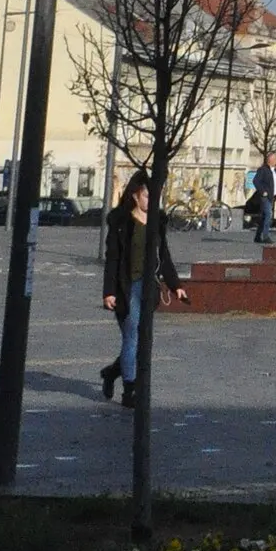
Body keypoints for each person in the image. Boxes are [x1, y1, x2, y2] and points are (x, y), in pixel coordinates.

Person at [100, 171, 186, 406]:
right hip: (126, 287)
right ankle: (130, 391)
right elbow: (113, 259)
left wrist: (175, 285)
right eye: (147, 196)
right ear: (136, 196)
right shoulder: (122, 223)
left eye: (154, 196)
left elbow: (164, 256)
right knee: (132, 335)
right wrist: (109, 291)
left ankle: (111, 373)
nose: (151, 201)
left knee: (138, 338)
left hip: (149, 287)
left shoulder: (157, 223)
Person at [247, 152, 276, 243]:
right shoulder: (263, 169)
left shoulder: (275, 170)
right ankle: (266, 236)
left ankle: (258, 236)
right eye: (275, 159)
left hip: (272, 197)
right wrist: (263, 191)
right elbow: (256, 181)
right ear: (270, 160)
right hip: (265, 197)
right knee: (268, 215)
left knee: (264, 217)